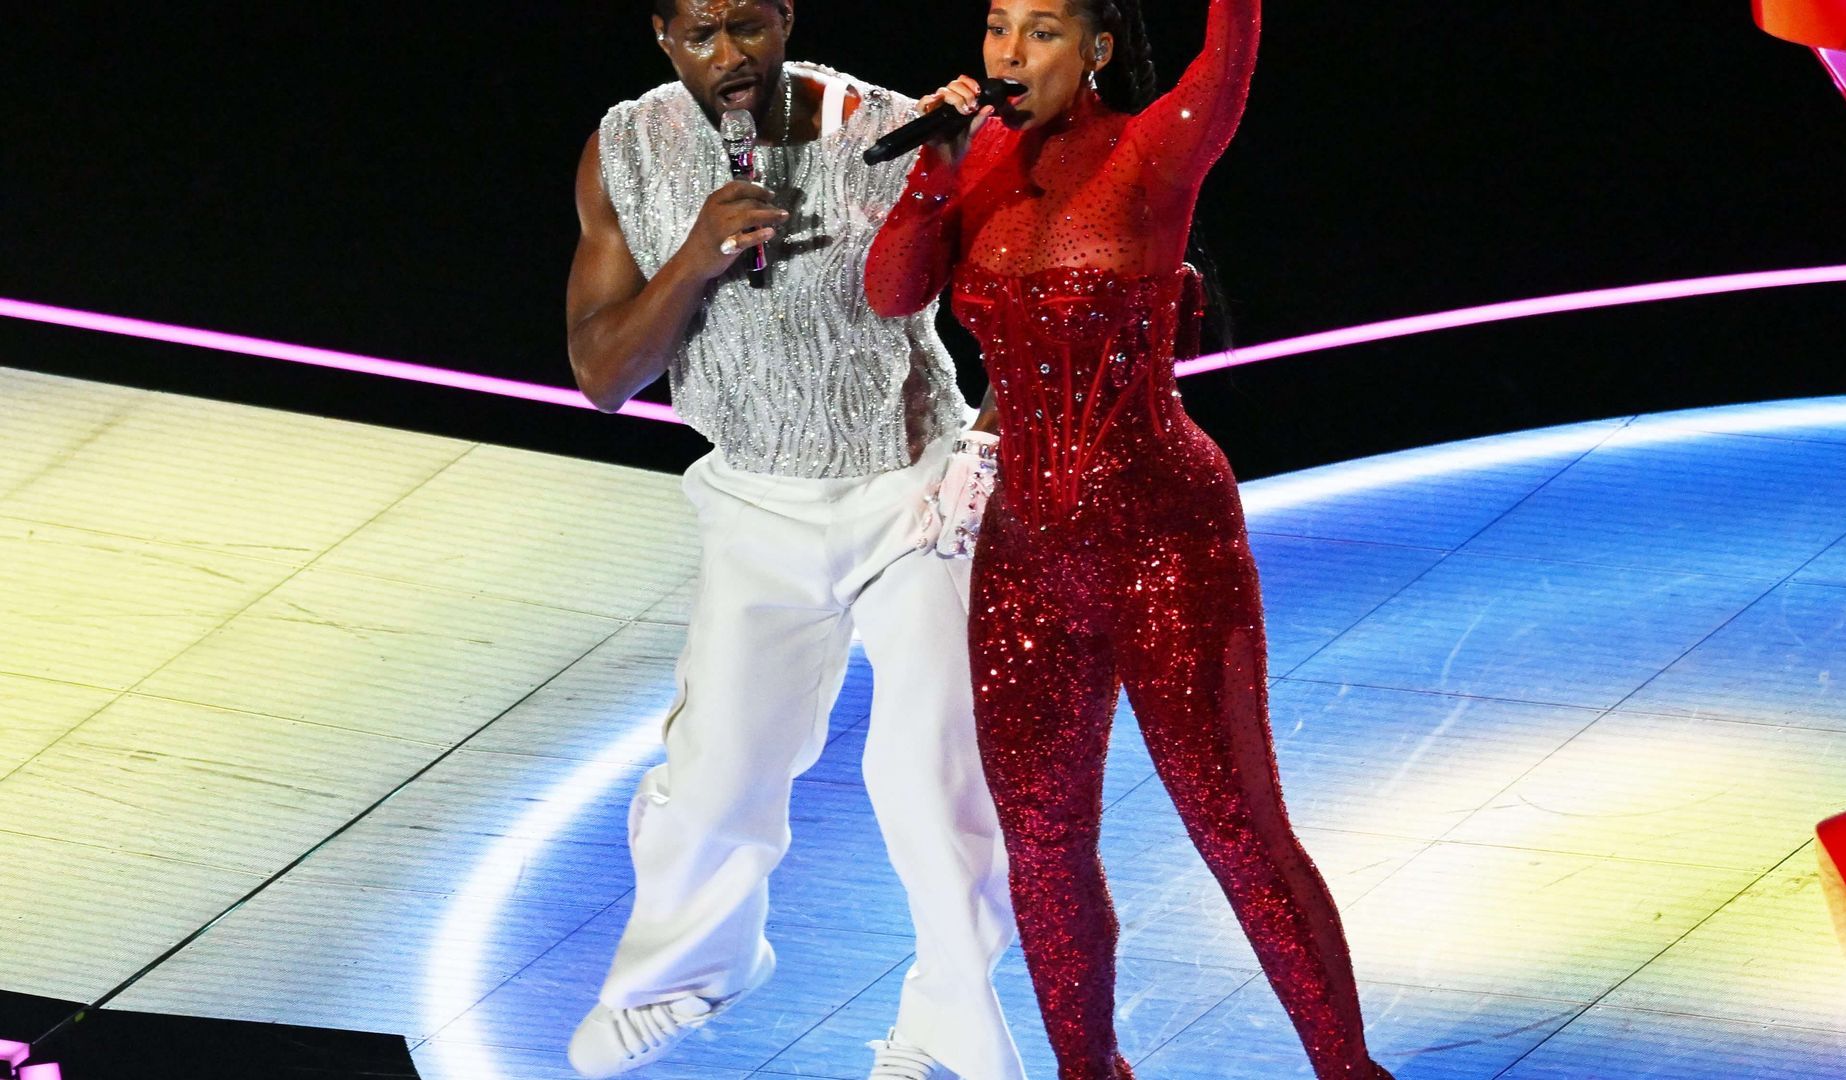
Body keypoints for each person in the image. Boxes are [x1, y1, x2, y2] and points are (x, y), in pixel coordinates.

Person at [865, 1, 1396, 1077]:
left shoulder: (1154, 148)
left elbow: (1233, 48)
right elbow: (891, 292)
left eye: (1043, 32)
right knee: (1046, 844)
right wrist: (932, 169)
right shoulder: (981, 162)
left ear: (1097, 49)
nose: (1009, 54)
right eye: (997, 25)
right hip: (1023, 560)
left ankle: (1350, 1070)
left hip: (1169, 547)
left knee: (1236, 830)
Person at [563, 2, 1024, 1077]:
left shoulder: (887, 126)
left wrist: (982, 456)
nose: (731, 57)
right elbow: (601, 376)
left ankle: (942, 1027)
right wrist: (695, 256)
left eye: (749, 26)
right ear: (663, 36)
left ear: (784, 18)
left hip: (907, 489)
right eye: (702, 35)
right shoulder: (623, 148)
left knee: (934, 773)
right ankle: (691, 972)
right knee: (717, 776)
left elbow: (1030, 304)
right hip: (755, 499)